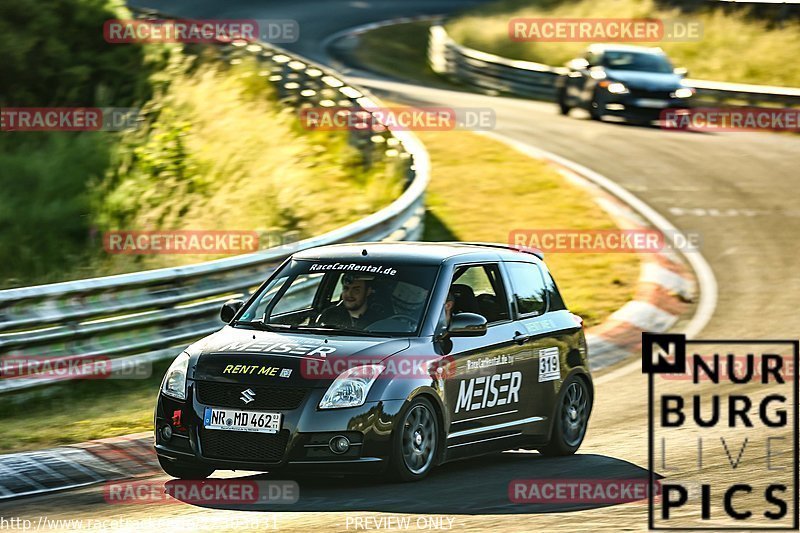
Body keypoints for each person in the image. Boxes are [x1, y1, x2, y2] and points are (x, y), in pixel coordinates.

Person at [317, 274, 388, 329]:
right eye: (346, 288)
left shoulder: (378, 321)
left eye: (356, 290)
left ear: (368, 291)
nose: (349, 294)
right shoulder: (329, 315)